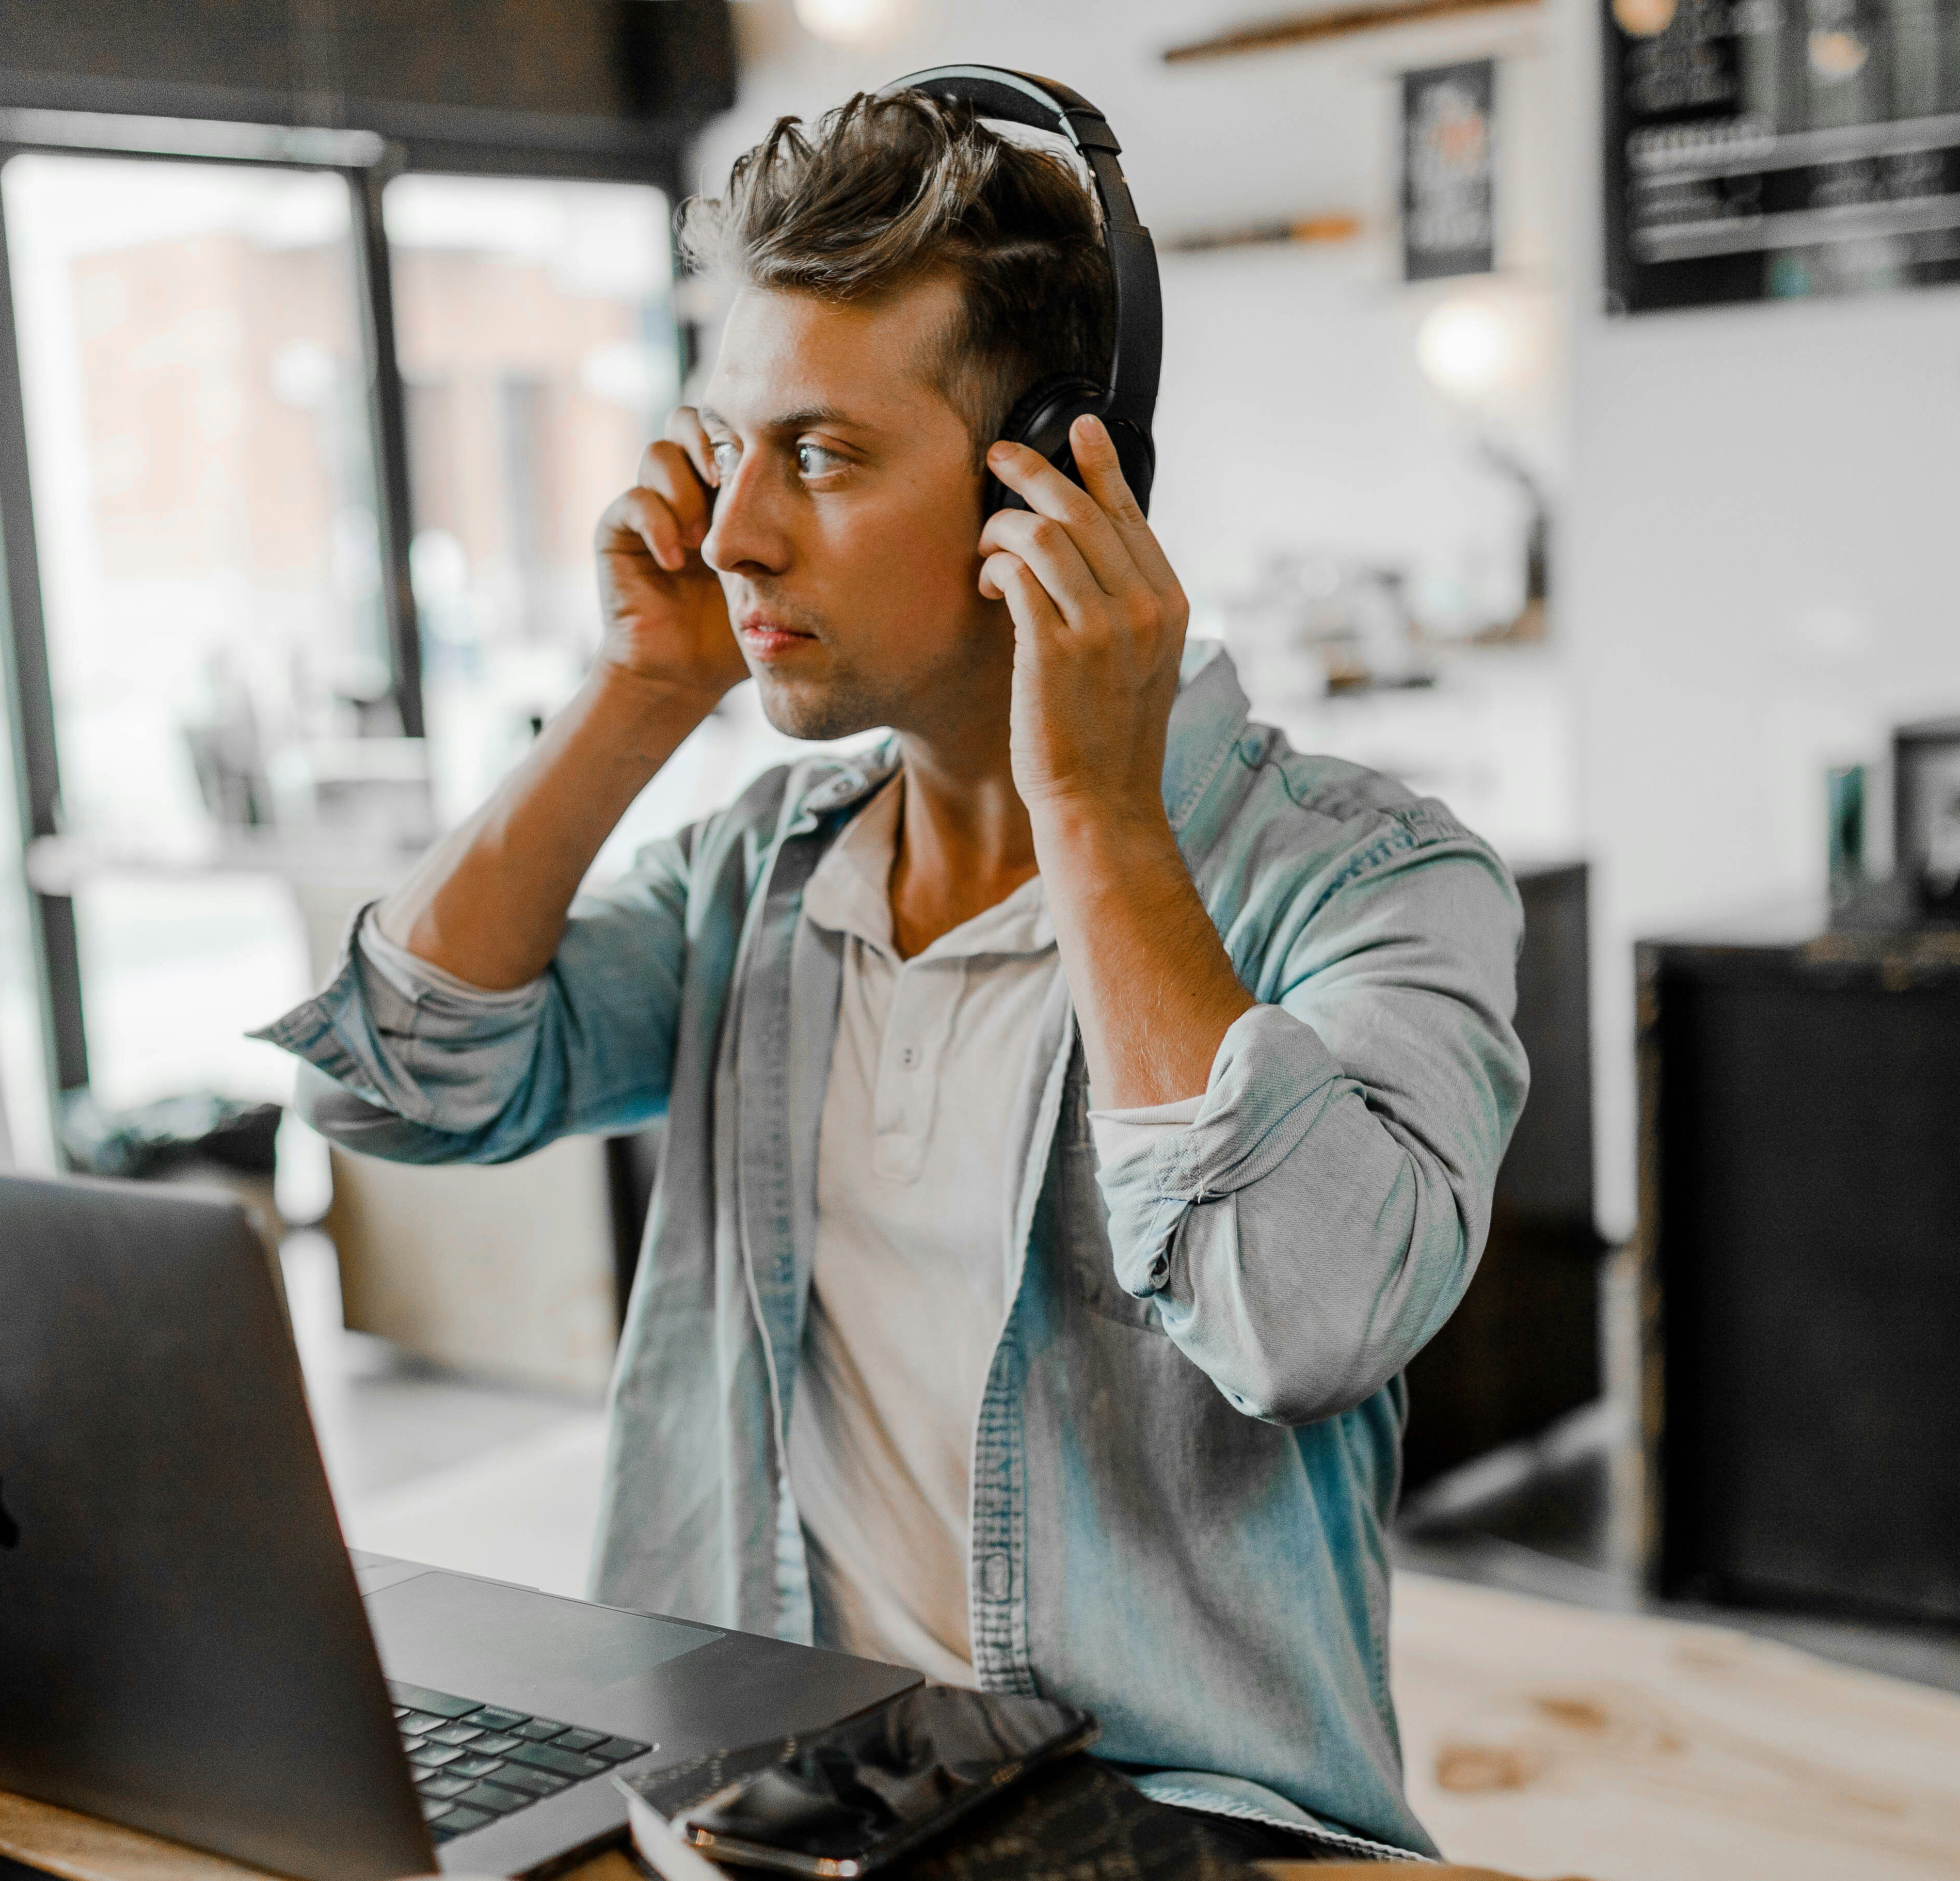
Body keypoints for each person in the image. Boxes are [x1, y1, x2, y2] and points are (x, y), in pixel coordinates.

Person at [257, 89, 1524, 1860]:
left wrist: (1091, 799)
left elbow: (1300, 1319)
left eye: (825, 457)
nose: (731, 535)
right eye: (723, 450)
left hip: (1161, 1831)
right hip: (745, 1800)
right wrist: (638, 699)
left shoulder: (1369, 881)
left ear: (1060, 476)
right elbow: (388, 1081)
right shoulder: (756, 876)